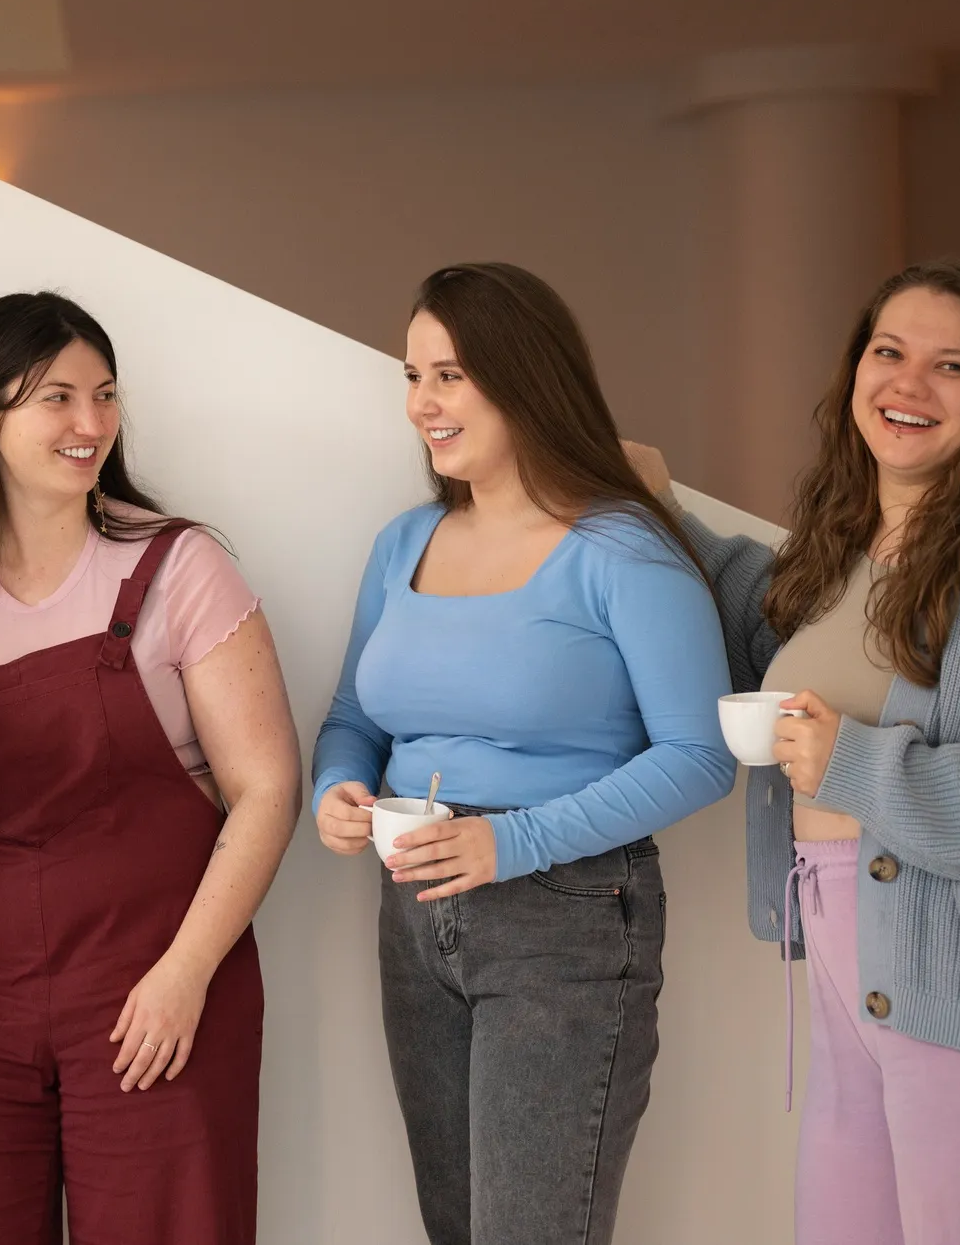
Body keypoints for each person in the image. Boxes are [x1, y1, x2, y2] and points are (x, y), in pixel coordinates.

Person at [629, 260, 960, 1245]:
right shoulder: (853, 546)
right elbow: (772, 633)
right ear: (852, 372)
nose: (906, 383)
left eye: (948, 364)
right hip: (867, 987)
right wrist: (659, 511)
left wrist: (856, 766)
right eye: (887, 351)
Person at [0, 292, 299, 1245]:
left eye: (106, 394)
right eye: (57, 397)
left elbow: (268, 786)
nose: (90, 424)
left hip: (151, 999)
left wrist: (186, 973)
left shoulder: (176, 565)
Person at [311, 263, 735, 1245]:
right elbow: (352, 718)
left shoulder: (622, 548)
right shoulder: (403, 540)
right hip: (412, 913)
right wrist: (340, 786)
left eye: (450, 374)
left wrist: (511, 844)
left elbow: (699, 752)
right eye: (411, 375)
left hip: (567, 916)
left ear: (524, 376)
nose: (422, 402)